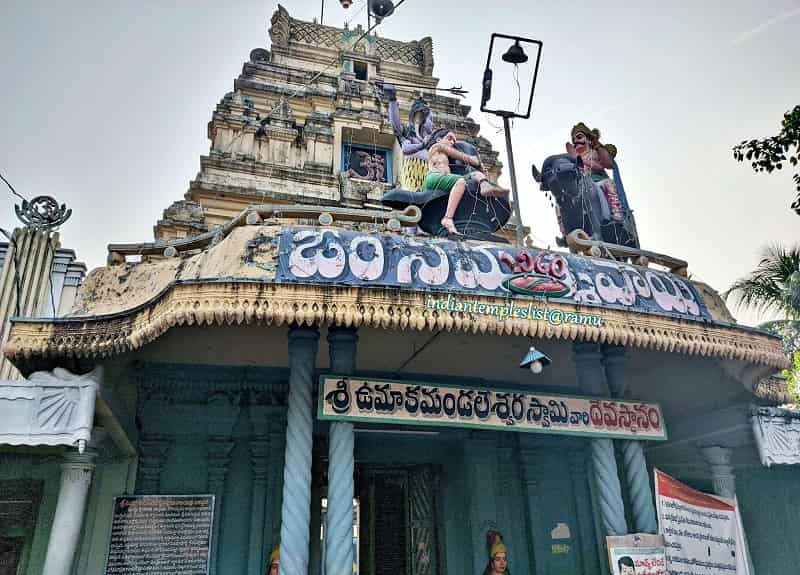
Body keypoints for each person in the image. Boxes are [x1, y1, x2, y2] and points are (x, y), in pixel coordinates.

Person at [424, 128, 509, 235]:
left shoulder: (445, 152)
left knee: (476, 175)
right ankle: (447, 218)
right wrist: (474, 160)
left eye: (454, 141)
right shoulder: (437, 146)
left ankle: (485, 186)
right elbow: (460, 155)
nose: (452, 142)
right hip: (434, 177)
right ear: (438, 139)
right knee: (460, 181)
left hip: (446, 178)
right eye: (449, 138)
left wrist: (480, 168)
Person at [380, 82, 433, 191]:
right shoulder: (408, 135)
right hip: (412, 171)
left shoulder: (433, 139)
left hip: (429, 172)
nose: (423, 120)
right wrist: (392, 99)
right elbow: (396, 126)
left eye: (425, 117)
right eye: (419, 116)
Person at [567, 122, 623, 222]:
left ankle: (616, 213)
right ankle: (567, 228)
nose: (576, 141)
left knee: (608, 184)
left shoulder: (594, 152)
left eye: (579, 137)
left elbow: (603, 166)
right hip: (582, 188)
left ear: (588, 140)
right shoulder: (572, 160)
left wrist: (582, 159)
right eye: (574, 140)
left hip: (598, 182)